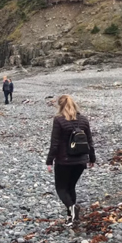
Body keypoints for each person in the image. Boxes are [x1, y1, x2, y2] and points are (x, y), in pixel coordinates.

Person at [45, 95, 96, 227]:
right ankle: (71, 217)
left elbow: (55, 143)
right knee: (71, 187)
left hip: (64, 160)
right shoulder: (83, 120)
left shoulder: (59, 120)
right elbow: (89, 140)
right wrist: (92, 158)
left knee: (61, 188)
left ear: (60, 106)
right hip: (80, 160)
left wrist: (49, 161)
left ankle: (72, 209)